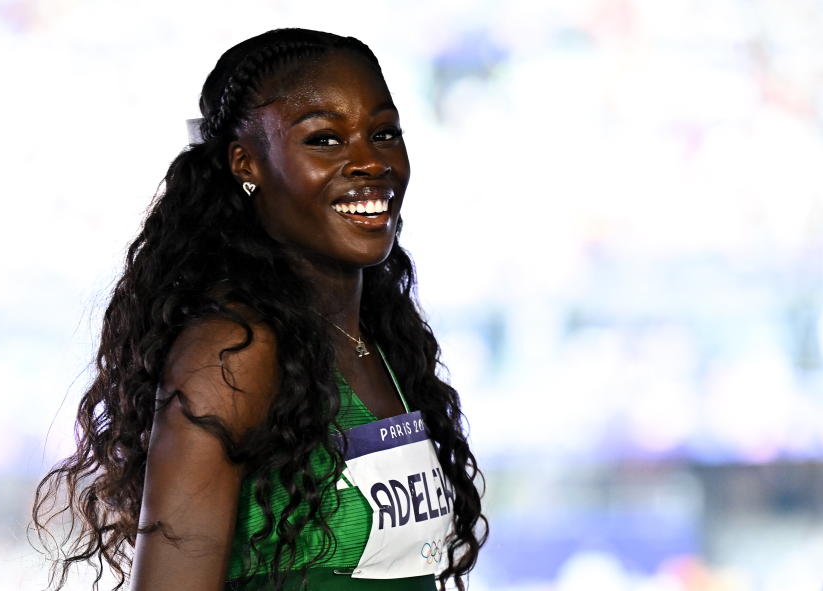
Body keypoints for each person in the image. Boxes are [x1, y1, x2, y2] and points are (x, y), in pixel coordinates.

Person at [32, 28, 487, 591]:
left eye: (384, 132)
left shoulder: (380, 339)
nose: (371, 161)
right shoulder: (233, 353)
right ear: (246, 164)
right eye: (325, 139)